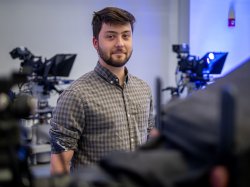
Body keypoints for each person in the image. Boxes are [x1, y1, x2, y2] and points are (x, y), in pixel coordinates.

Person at [49, 7, 155, 174]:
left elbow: (150, 144)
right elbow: (59, 168)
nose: (120, 43)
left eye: (126, 36)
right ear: (95, 43)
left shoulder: (143, 89)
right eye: (111, 36)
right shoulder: (76, 95)